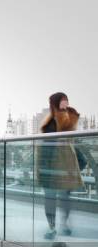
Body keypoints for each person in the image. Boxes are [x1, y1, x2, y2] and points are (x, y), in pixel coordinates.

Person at [36, 92, 84, 239]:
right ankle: (52, 227)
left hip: (64, 163)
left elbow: (68, 130)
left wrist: (64, 112)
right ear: (55, 102)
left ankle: (64, 224)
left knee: (65, 197)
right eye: (63, 100)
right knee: (50, 197)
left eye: (67, 100)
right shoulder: (50, 120)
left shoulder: (69, 117)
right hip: (49, 163)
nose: (66, 102)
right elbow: (45, 142)